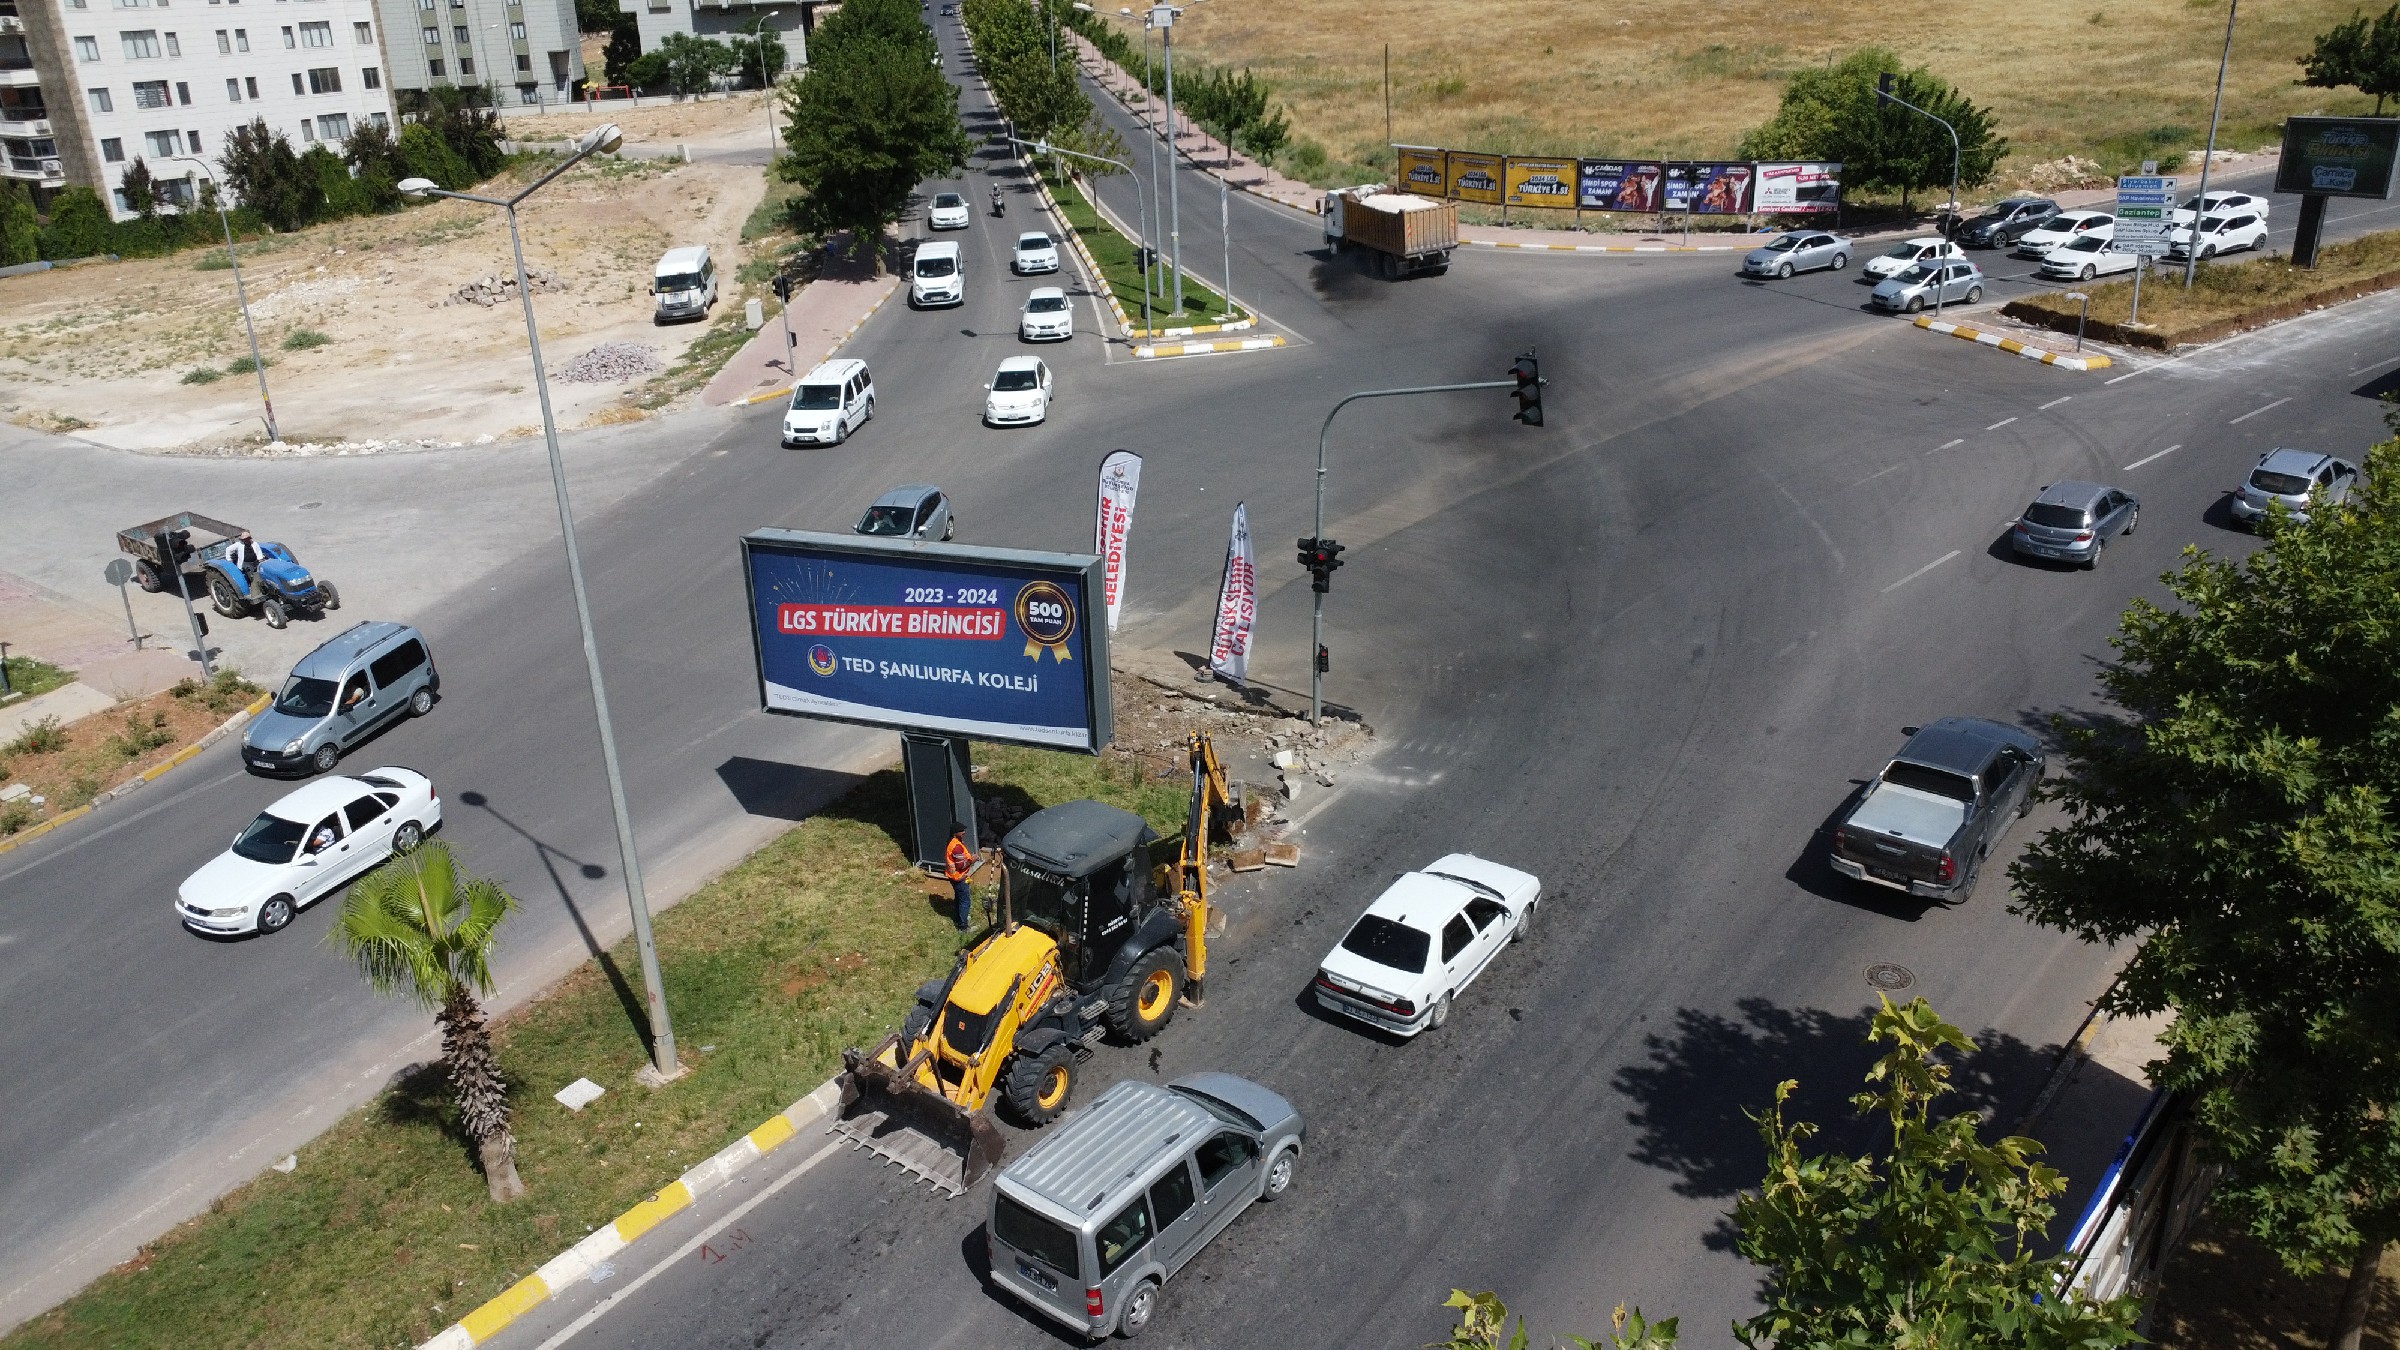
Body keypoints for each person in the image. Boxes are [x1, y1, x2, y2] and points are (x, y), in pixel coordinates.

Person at [945, 826, 977, 932]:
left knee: (959, 898)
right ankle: (963, 927)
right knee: (965, 901)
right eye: (961, 831)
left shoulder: (953, 842)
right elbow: (961, 866)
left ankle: (959, 918)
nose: (964, 832)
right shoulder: (956, 846)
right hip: (959, 878)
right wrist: (972, 860)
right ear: (955, 833)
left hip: (953, 877)